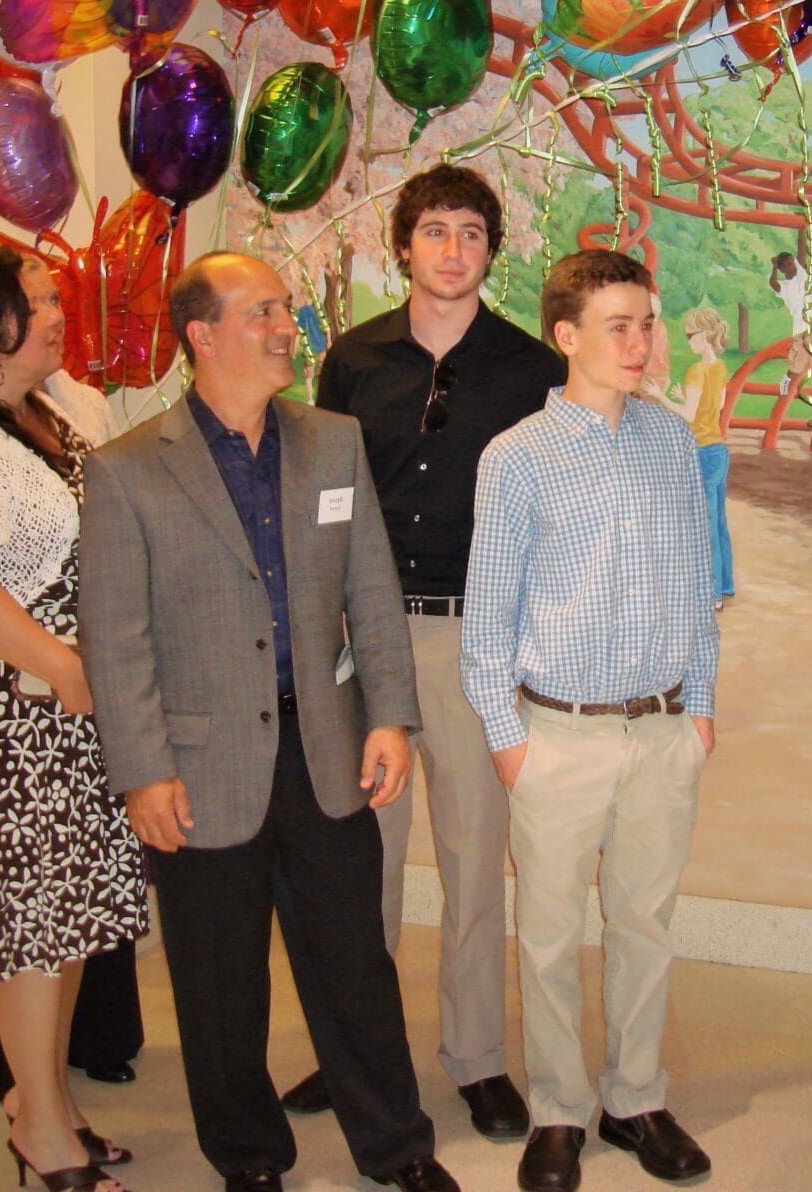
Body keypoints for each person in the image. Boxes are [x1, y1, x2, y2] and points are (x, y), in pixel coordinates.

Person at [79, 252, 457, 1192]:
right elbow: (115, 640)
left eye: (286, 308)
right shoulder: (128, 472)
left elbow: (372, 590)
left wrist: (392, 718)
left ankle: (397, 1147)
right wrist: (142, 771)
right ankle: (249, 1160)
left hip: (325, 747)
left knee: (355, 968)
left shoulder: (332, 441)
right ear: (202, 335)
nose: (288, 326)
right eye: (264, 312)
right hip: (199, 768)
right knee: (217, 986)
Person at [278, 166, 561, 1138]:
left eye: (471, 232)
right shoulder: (353, 362)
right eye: (434, 230)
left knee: (477, 858)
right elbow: (321, 510)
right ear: (402, 246)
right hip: (370, 638)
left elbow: (552, 518)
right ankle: (355, 1051)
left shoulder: (531, 369)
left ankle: (478, 1058)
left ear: (491, 248)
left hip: (482, 638)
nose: (452, 249)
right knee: (364, 861)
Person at [463, 249, 719, 1192]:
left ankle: (636, 1099)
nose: (641, 343)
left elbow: (698, 586)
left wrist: (702, 710)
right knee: (551, 933)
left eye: (647, 323)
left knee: (647, 922)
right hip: (556, 736)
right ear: (565, 336)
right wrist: (509, 742)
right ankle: (561, 1110)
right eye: (619, 326)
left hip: (661, 729)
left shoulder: (671, 443)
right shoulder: (516, 459)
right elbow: (488, 621)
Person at [0, 247, 149, 1190]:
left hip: (79, 701)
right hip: (31, 712)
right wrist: (65, 667)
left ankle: (48, 1100)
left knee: (78, 920)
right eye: (35, 304)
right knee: (35, 931)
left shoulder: (44, 413)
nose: (57, 314)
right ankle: (39, 1131)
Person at [672, 305, 735, 604]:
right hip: (720, 450)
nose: (687, 341)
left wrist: (662, 397)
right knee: (719, 523)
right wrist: (686, 398)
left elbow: (688, 415)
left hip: (702, 450)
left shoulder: (696, 370)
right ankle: (724, 585)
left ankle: (712, 595)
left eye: (689, 334)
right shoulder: (719, 367)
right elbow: (717, 405)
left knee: (705, 525)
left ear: (703, 336)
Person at [769, 250, 812, 403]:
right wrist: (774, 266)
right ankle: (787, 378)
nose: (792, 266)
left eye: (792, 263)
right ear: (782, 270)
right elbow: (773, 284)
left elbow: (802, 252)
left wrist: (802, 227)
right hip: (801, 330)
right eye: (788, 265)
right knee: (797, 364)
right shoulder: (784, 287)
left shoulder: (802, 277)